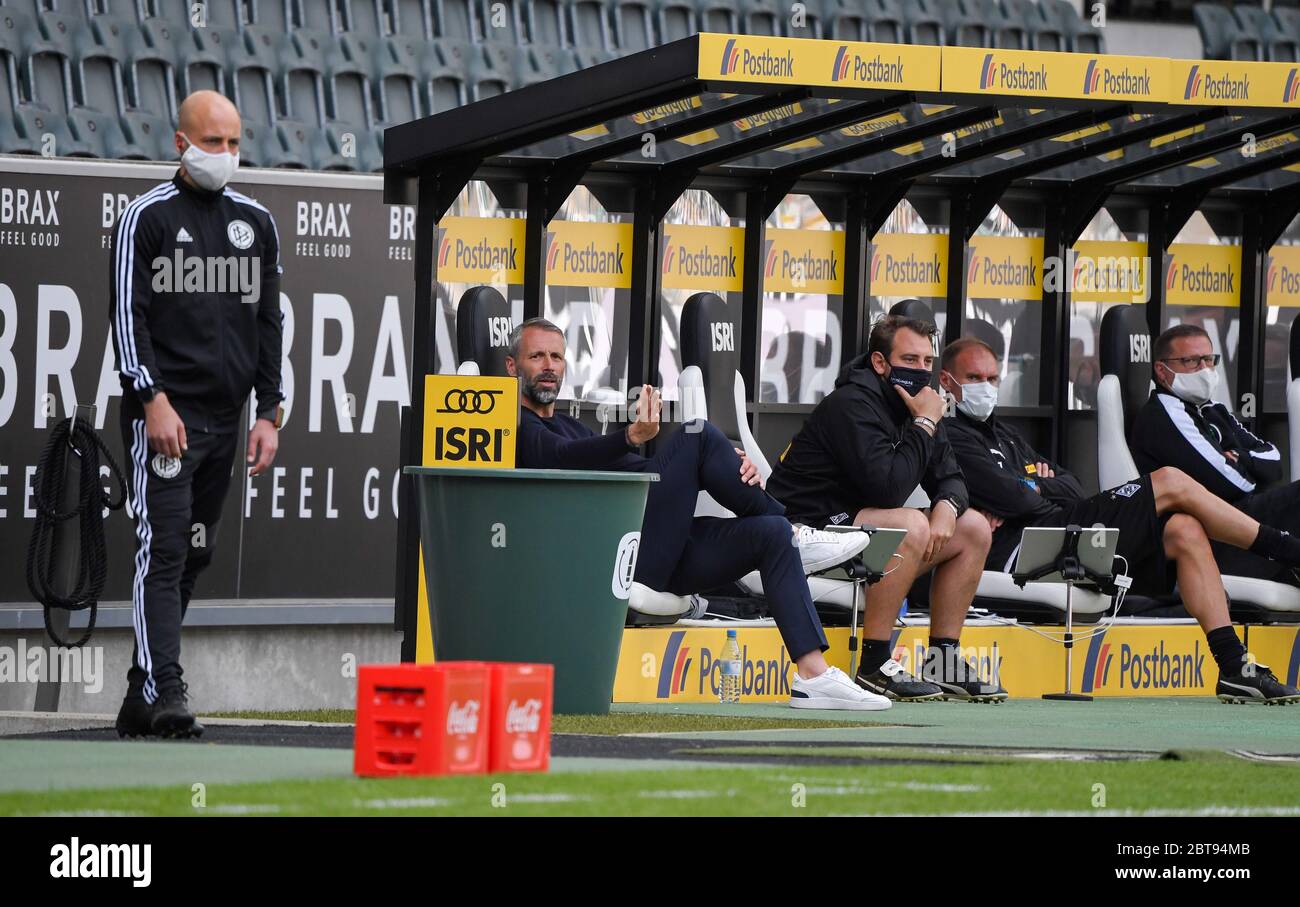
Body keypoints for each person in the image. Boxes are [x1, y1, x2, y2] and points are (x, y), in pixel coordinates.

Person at [508, 317, 887, 710]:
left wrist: (721, 466)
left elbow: (638, 473)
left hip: (659, 551)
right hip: (621, 560)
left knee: (769, 532)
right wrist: (632, 437)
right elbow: (558, 458)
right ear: (512, 366)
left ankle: (814, 675)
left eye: (556, 356)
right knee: (696, 434)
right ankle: (796, 531)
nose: (549, 365)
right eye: (537, 356)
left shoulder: (571, 426)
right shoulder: (516, 426)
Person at [942, 335, 1300, 704]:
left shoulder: (1005, 434)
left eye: (992, 379)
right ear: (946, 382)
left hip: (1065, 528)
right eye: (973, 378)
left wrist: (1029, 487)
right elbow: (1014, 497)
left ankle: (1233, 666)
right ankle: (1287, 550)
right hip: (1025, 547)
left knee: (1183, 528)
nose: (985, 387)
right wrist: (1030, 485)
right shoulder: (952, 433)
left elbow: (1071, 485)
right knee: (1170, 482)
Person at [110, 91, 284, 737]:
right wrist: (151, 398)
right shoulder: (146, 216)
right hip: (164, 417)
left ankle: (139, 691)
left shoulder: (256, 221)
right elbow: (127, 317)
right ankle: (169, 688)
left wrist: (270, 410)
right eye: (214, 142)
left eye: (235, 142)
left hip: (228, 418)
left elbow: (270, 321)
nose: (226, 155)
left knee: (194, 554)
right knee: (165, 549)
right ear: (180, 143)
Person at [766, 314, 1004, 703]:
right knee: (909, 524)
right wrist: (924, 422)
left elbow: (953, 477)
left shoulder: (920, 402)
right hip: (807, 530)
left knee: (973, 526)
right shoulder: (851, 404)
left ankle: (943, 659)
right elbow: (887, 488)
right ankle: (875, 665)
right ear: (880, 363)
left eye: (928, 362)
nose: (921, 371)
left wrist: (947, 505)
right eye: (909, 360)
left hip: (861, 531)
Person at [1131, 323, 1300, 586]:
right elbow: (1233, 484)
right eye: (1191, 361)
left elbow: (1275, 461)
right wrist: (1249, 467)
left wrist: (1241, 458)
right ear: (1162, 371)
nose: (1205, 370)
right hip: (1216, 536)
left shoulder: (1213, 409)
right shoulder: (1163, 415)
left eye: (1209, 359)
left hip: (1244, 522)